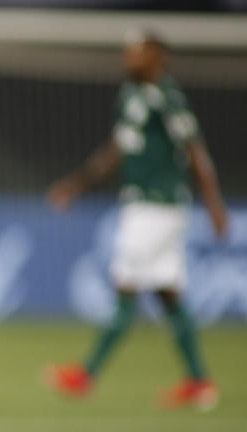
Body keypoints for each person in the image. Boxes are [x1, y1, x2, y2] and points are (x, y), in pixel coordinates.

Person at [46, 31, 228, 409]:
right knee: (168, 293)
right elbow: (117, 150)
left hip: (157, 206)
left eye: (138, 50)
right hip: (144, 206)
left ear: (159, 56)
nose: (129, 55)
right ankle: (199, 382)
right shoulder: (131, 96)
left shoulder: (167, 96)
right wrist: (76, 185)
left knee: (126, 286)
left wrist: (214, 205)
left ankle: (86, 375)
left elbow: (195, 149)